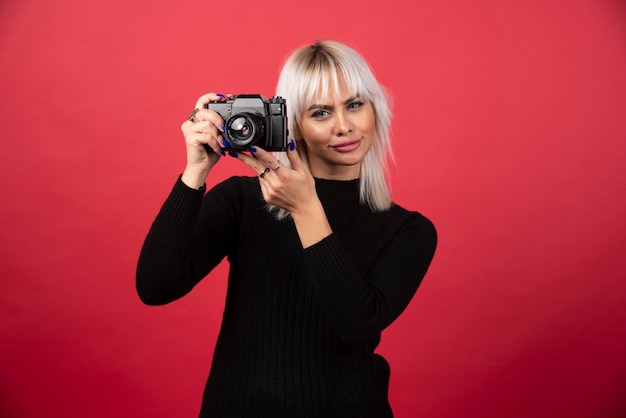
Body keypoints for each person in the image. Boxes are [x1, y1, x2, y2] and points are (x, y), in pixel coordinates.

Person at [136, 40, 437, 418]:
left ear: (377, 109)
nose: (344, 126)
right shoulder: (243, 201)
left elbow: (356, 324)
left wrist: (306, 209)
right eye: (321, 112)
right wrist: (195, 171)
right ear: (293, 123)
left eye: (355, 104)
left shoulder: (408, 230)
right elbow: (156, 286)